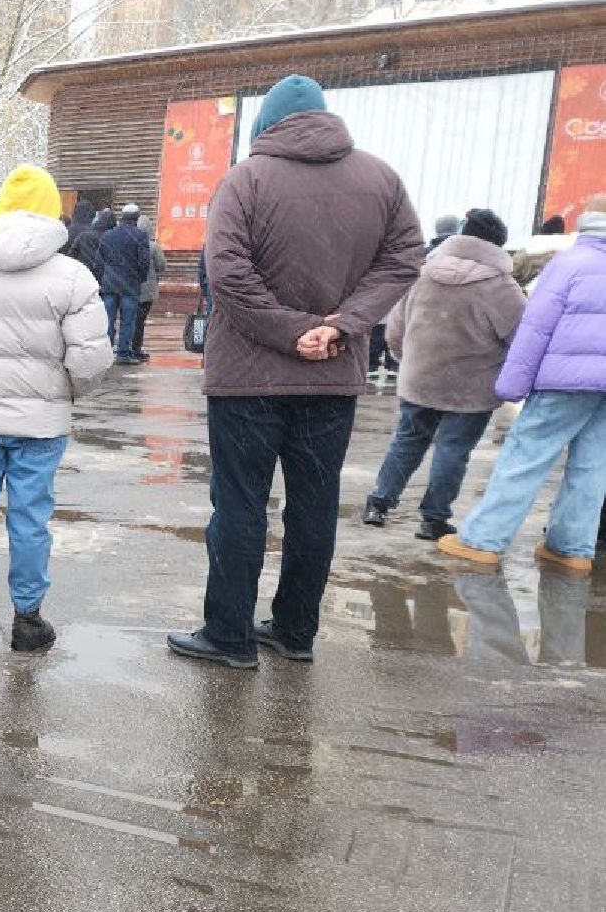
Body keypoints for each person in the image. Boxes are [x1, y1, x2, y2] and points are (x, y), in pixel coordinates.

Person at [167, 74, 422, 670]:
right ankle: (295, 630)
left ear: (266, 126)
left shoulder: (245, 179)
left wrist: (289, 330)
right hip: (333, 376)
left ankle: (228, 636)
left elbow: (226, 274)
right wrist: (342, 325)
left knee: (239, 505)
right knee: (314, 506)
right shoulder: (381, 179)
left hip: (247, 379)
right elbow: (405, 257)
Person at [0, 165, 111, 654]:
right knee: (30, 517)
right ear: (52, 209)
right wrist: (69, 390)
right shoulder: (73, 277)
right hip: (41, 424)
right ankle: (28, 620)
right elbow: (91, 356)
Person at [439, 197, 606, 574]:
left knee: (525, 457)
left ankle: (483, 540)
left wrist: (512, 385)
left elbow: (535, 328)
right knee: (593, 466)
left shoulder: (568, 264)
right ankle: (572, 548)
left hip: (564, 382)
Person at [363, 209, 526, 541]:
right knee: (453, 450)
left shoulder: (424, 273)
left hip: (420, 378)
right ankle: (433, 519)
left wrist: (406, 360)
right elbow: (521, 338)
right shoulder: (501, 287)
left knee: (407, 441)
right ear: (497, 245)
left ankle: (378, 504)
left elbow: (395, 329)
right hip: (472, 388)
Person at [98, 202, 153, 365]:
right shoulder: (140, 236)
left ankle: (105, 353)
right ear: (136, 218)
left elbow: (99, 259)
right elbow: (144, 262)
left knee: (108, 319)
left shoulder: (108, 235)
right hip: (130, 285)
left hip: (109, 284)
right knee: (128, 320)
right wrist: (140, 278)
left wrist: (106, 276)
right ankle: (123, 353)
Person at [132, 220, 167, 361]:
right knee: (140, 321)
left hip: (130, 288)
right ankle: (136, 348)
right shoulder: (153, 247)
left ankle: (127, 347)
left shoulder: (130, 244)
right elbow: (161, 266)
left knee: (129, 320)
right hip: (147, 291)